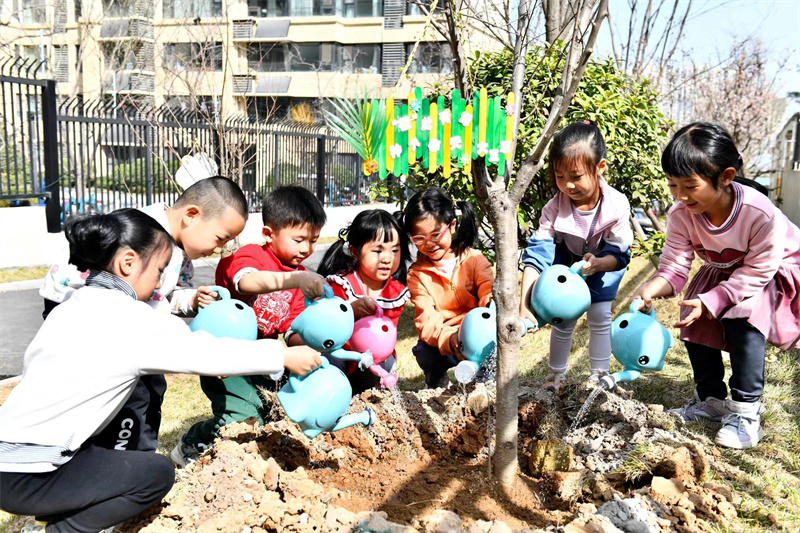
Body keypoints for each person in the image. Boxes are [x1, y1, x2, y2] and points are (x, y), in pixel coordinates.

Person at [0, 210, 321, 533]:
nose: (158, 282)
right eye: (159, 271)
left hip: (7, 459)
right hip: (34, 474)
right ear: (128, 263)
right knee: (155, 473)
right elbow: (206, 353)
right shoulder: (131, 319)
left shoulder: (70, 307)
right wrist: (282, 355)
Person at [39, 177, 249, 456]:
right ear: (191, 215)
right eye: (220, 238)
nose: (219, 248)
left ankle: (132, 456)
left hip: (117, 320)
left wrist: (193, 298)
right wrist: (202, 351)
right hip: (82, 314)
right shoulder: (146, 235)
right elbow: (148, 310)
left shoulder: (178, 248)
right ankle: (126, 458)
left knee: (148, 388)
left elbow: (164, 297)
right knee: (133, 393)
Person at [632, 122, 800, 449]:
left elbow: (758, 271)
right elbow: (676, 266)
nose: (680, 196)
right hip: (728, 268)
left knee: (742, 315)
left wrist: (715, 300)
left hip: (775, 270)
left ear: (725, 177)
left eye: (690, 186)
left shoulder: (757, 212)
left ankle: (746, 412)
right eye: (672, 185)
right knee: (693, 310)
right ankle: (711, 400)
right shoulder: (683, 215)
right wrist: (651, 290)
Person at [173, 186, 328, 466]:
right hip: (225, 356)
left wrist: (312, 345)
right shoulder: (250, 256)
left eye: (314, 241)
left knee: (270, 414)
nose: (307, 249)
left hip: (264, 361)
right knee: (242, 417)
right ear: (269, 234)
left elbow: (292, 330)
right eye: (299, 239)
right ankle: (193, 442)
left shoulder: (297, 277)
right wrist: (294, 279)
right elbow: (247, 282)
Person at [519, 121, 633, 391]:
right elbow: (538, 255)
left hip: (603, 263)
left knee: (600, 314)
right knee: (564, 319)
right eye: (559, 176)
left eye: (576, 176)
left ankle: (599, 377)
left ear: (599, 168)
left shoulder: (615, 206)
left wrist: (598, 264)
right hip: (568, 260)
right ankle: (555, 376)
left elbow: (619, 254)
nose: (567, 185)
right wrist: (525, 304)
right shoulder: (553, 208)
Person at [400, 188, 494, 389]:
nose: (429, 244)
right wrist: (451, 340)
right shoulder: (418, 274)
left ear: (452, 226)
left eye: (435, 234)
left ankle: (485, 378)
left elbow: (488, 292)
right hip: (447, 339)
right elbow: (426, 318)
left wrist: (489, 311)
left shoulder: (475, 260)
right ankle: (437, 382)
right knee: (425, 352)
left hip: (478, 332)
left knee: (491, 348)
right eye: (419, 239)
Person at [316, 209, 411, 393]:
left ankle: (374, 398)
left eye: (395, 250)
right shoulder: (342, 285)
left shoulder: (395, 294)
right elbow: (326, 325)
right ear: (355, 252)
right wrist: (350, 311)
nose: (387, 258)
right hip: (340, 354)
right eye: (377, 250)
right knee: (327, 366)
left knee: (386, 364)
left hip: (375, 357)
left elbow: (386, 337)